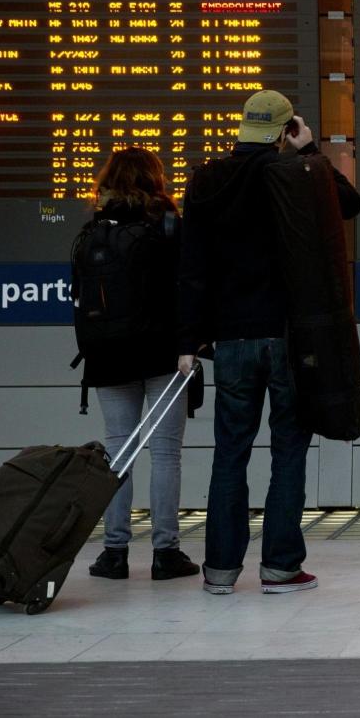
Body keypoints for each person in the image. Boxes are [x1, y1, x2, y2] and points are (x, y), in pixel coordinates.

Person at [177, 90, 360, 595]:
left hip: (230, 341)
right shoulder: (293, 176)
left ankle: (218, 571)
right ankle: (280, 568)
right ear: (283, 130)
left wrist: (188, 339)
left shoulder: (206, 181)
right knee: (288, 452)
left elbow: (190, 268)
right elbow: (349, 203)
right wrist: (307, 152)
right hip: (287, 338)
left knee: (229, 453)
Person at [76, 147, 200, 582]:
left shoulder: (95, 229)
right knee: (165, 453)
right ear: (156, 179)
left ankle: (114, 553)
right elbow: (188, 287)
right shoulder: (168, 225)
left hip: (107, 356)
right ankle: (166, 553)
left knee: (118, 451)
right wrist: (190, 345)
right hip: (163, 353)